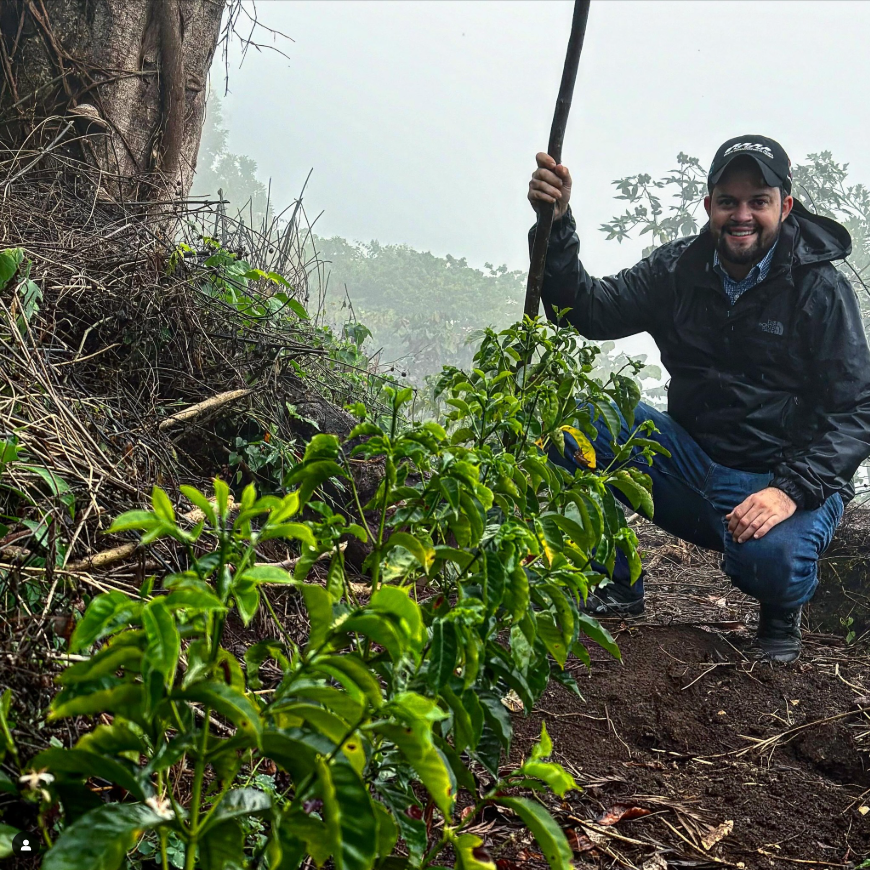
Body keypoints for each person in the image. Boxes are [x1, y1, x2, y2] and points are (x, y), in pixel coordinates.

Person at [528, 135, 870, 663]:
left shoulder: (820, 289)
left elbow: (856, 411)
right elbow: (588, 311)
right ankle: (620, 581)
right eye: (729, 201)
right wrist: (557, 224)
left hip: (781, 479)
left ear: (786, 205)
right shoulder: (677, 269)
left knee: (773, 561)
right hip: (694, 466)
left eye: (758, 201)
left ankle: (780, 618)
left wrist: (791, 491)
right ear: (709, 205)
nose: (743, 215)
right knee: (571, 418)